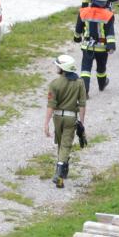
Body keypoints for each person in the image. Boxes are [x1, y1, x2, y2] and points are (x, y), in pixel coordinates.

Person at [43, 55, 88, 188]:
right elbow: (82, 104)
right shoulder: (79, 83)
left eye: (58, 66)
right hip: (71, 118)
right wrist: (81, 122)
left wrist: (46, 123)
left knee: (61, 144)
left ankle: (61, 171)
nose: (56, 67)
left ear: (63, 68)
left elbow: (51, 105)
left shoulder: (54, 84)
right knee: (65, 145)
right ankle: (60, 173)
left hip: (57, 118)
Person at [74, 0, 117, 92]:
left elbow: (78, 28)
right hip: (101, 47)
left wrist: (77, 38)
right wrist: (111, 46)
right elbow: (110, 32)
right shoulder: (108, 15)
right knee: (101, 68)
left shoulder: (83, 11)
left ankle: (85, 90)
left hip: (87, 46)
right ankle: (102, 85)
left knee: (85, 69)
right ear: (106, 2)